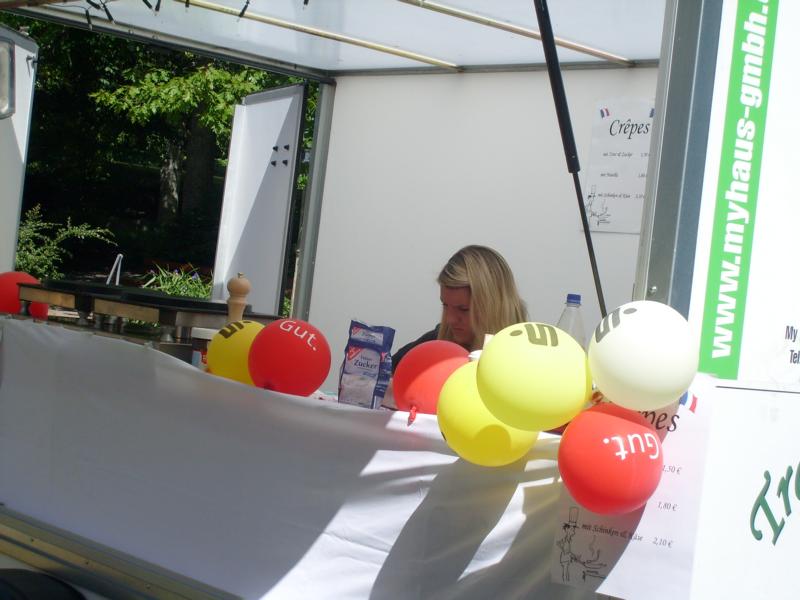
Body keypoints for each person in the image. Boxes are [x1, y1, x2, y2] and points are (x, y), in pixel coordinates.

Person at [392, 245, 528, 373]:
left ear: (494, 307)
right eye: (445, 305)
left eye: (463, 309)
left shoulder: (526, 357)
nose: (450, 319)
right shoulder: (436, 339)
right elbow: (387, 370)